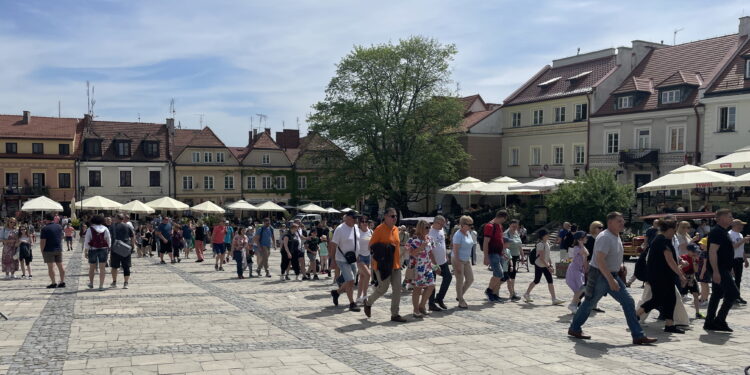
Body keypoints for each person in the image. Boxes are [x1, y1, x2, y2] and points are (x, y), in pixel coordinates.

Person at [568, 212, 657, 345]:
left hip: (611, 274)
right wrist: (610, 280)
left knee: (628, 301)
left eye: (622, 221)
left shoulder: (615, 235)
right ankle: (574, 328)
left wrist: (619, 268)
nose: (622, 223)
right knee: (589, 303)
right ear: (610, 223)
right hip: (600, 275)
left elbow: (611, 256)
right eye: (619, 221)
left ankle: (638, 335)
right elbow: (599, 260)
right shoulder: (605, 237)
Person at [635, 219, 687, 334]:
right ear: (669, 229)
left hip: (665, 275)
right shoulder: (661, 240)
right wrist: (681, 275)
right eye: (674, 230)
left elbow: (671, 259)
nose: (674, 233)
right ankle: (635, 315)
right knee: (657, 299)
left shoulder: (664, 239)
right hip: (659, 276)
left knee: (671, 299)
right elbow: (669, 260)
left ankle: (669, 325)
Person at [704, 209, 741, 332]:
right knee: (733, 293)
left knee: (717, 294)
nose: (732, 218)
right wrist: (715, 271)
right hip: (718, 268)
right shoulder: (717, 232)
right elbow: (712, 252)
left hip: (723, 268)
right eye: (729, 216)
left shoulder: (722, 232)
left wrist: (729, 269)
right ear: (721, 218)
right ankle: (719, 320)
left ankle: (709, 322)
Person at [364, 208, 404, 321]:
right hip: (382, 265)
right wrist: (384, 248)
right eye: (392, 216)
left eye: (395, 216)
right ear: (385, 217)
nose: (394, 218)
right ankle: (368, 302)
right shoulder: (379, 229)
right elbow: (371, 247)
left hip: (395, 265)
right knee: (383, 289)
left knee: (397, 289)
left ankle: (394, 314)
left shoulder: (396, 229)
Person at [523, 229, 565, 305]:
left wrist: (551, 264)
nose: (548, 235)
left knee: (550, 280)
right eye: (547, 234)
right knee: (536, 280)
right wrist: (548, 267)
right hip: (539, 264)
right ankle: (526, 294)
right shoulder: (540, 244)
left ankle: (554, 299)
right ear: (543, 236)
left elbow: (548, 256)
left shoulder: (547, 243)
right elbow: (541, 258)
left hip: (545, 265)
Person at [330, 211, 361, 312]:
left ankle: (337, 292)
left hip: (353, 259)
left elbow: (357, 242)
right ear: (347, 218)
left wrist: (358, 256)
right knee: (351, 281)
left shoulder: (356, 227)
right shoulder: (340, 229)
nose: (356, 220)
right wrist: (333, 260)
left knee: (351, 281)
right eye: (354, 218)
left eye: (356, 218)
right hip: (342, 259)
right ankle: (352, 303)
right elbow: (333, 245)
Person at [408, 220, 436, 318]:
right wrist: (421, 247)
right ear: (420, 228)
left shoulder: (430, 239)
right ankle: (416, 309)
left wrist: (436, 266)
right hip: (418, 267)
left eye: (429, 227)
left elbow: (431, 253)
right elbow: (411, 253)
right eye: (426, 227)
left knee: (431, 286)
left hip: (428, 266)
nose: (428, 229)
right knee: (417, 289)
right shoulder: (414, 240)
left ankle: (422, 306)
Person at [482, 210, 508, 302]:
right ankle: (489, 290)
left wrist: (503, 252)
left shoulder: (499, 226)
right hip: (492, 253)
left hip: (499, 253)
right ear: (502, 218)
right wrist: (485, 256)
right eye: (504, 220)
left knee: (500, 275)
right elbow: (486, 242)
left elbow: (500, 240)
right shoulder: (489, 226)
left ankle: (494, 294)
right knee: (499, 274)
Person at [428, 215, 451, 311]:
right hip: (433, 262)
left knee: (448, 277)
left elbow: (443, 244)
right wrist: (435, 265)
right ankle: (431, 303)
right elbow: (430, 251)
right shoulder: (430, 232)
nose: (442, 226)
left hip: (443, 261)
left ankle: (439, 298)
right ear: (435, 222)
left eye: (443, 224)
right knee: (432, 282)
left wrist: (446, 255)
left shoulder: (441, 230)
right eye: (440, 224)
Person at [452, 216, 475, 309]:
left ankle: (459, 295)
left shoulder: (468, 233)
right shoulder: (458, 235)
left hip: (466, 259)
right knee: (460, 280)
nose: (471, 227)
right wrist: (457, 263)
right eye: (469, 225)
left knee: (470, 279)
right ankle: (461, 300)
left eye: (471, 225)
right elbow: (455, 250)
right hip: (458, 259)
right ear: (462, 225)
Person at [84, 215, 111, 291]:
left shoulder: (90, 229)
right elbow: (108, 239)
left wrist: (86, 251)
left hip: (93, 249)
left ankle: (91, 283)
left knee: (92, 267)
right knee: (102, 268)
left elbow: (87, 241)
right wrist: (109, 247)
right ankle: (101, 285)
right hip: (103, 249)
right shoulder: (105, 228)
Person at [40, 214, 66, 288]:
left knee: (51, 267)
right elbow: (62, 237)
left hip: (48, 249)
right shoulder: (59, 226)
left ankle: (54, 283)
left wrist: (42, 251)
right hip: (58, 249)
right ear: (53, 219)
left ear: (46, 220)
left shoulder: (45, 229)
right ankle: (62, 282)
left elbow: (43, 242)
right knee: (60, 266)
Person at [566, 231, 589, 314]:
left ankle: (573, 305)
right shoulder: (576, 248)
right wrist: (581, 244)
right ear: (580, 239)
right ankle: (573, 305)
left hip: (579, 270)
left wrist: (586, 269)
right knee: (581, 288)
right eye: (585, 237)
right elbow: (585, 253)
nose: (587, 238)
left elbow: (586, 255)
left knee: (579, 290)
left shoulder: (582, 247)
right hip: (574, 270)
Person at [110, 214, 135, 289]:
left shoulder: (112, 226)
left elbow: (109, 237)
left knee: (114, 266)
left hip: (115, 248)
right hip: (126, 248)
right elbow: (132, 236)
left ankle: (114, 282)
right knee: (126, 266)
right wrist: (132, 246)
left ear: (117, 218)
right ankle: (126, 283)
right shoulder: (128, 226)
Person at [680, 244, 705, 319]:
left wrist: (694, 262)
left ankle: (697, 313)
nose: (695, 253)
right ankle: (679, 313)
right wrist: (682, 277)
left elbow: (696, 270)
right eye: (693, 252)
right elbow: (679, 268)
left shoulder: (695, 259)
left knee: (696, 295)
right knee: (681, 296)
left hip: (692, 278)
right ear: (688, 251)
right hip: (684, 278)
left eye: (696, 252)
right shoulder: (683, 257)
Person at [728, 219, 749, 305]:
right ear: (735, 225)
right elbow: (732, 247)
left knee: (738, 280)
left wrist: (745, 259)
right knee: (732, 280)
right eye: (741, 225)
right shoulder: (729, 234)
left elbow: (741, 249)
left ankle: (737, 296)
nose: (742, 226)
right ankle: (732, 297)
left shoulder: (740, 234)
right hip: (732, 259)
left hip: (739, 259)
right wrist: (743, 240)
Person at [503, 219, 524, 302]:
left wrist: (522, 256)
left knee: (513, 275)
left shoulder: (516, 233)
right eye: (513, 226)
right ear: (509, 225)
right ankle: (493, 289)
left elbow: (519, 245)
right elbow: (504, 245)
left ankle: (512, 292)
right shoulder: (506, 234)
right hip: (508, 257)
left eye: (516, 226)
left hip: (515, 256)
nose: (515, 228)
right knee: (507, 276)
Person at [355, 217, 372, 303]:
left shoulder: (370, 231)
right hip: (359, 257)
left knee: (362, 277)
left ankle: (358, 297)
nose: (365, 223)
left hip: (367, 256)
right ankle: (365, 296)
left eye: (366, 221)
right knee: (368, 275)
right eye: (363, 221)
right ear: (360, 223)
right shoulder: (357, 232)